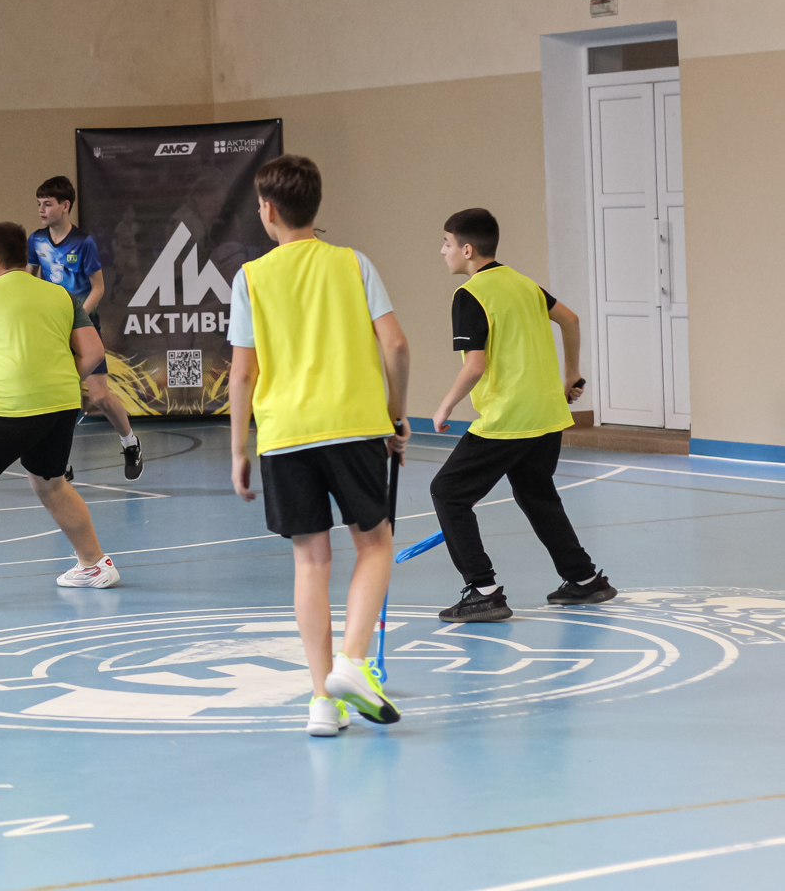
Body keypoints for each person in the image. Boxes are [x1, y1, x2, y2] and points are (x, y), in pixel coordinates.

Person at [227, 155, 410, 737]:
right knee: (374, 545)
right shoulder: (354, 264)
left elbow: (242, 373)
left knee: (310, 562)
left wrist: (239, 449)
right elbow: (396, 346)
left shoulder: (250, 278)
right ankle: (352, 662)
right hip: (354, 426)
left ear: (268, 210)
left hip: (284, 435)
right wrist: (396, 413)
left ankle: (322, 702)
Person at [430, 209, 616, 622]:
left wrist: (445, 405)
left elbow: (474, 366)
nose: (442, 251)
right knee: (536, 494)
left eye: (446, 242)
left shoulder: (470, 295)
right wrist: (571, 374)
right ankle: (584, 579)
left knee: (447, 492)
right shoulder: (524, 284)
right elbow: (570, 319)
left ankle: (483, 590)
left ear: (467, 249)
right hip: (546, 414)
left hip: (508, 418)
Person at [0, 222, 118, 607]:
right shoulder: (62, 295)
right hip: (62, 405)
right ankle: (94, 564)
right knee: (51, 484)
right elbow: (93, 353)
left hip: (8, 407)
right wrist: (60, 381)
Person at [26, 176, 143, 480]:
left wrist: (74, 318)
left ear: (65, 206)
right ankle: (60, 464)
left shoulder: (83, 243)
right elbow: (28, 281)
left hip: (83, 327)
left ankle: (130, 442)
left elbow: (98, 288)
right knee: (58, 397)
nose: (41, 209)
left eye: (47, 204)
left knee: (100, 397)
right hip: (53, 329)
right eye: (38, 204)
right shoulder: (36, 240)